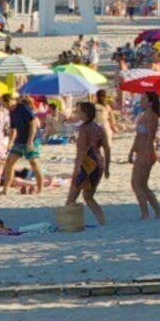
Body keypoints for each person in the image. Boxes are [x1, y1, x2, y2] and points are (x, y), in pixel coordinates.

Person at [62, 98, 111, 231]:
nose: (77, 114)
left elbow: (81, 152)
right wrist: (107, 168)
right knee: (88, 197)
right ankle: (103, 221)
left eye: (79, 112)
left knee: (71, 198)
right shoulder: (99, 128)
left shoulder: (84, 129)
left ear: (85, 114)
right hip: (98, 164)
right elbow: (107, 149)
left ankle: (68, 224)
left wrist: (77, 168)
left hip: (87, 164)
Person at [127, 89, 160, 220]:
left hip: (146, 152)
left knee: (136, 184)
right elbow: (138, 136)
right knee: (142, 185)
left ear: (150, 102)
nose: (141, 101)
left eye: (143, 99)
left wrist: (147, 153)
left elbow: (151, 136)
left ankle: (145, 214)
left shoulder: (151, 116)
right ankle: (158, 213)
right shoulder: (143, 115)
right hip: (141, 151)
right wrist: (132, 150)